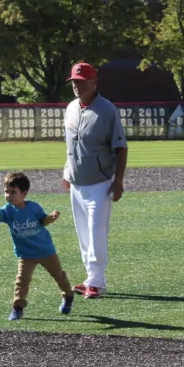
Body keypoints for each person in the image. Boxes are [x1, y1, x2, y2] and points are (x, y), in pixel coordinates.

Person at [63, 62, 128, 299]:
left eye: (81, 81)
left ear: (93, 82)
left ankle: (96, 282)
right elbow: (71, 145)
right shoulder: (70, 108)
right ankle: (91, 277)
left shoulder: (107, 110)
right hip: (76, 181)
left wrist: (118, 181)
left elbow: (121, 148)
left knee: (96, 231)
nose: (77, 86)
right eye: (74, 82)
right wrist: (66, 171)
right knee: (83, 232)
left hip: (100, 182)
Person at [0, 171, 74, 320]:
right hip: (25, 254)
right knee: (21, 281)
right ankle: (18, 308)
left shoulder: (34, 207)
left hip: (46, 251)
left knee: (59, 276)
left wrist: (51, 218)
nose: (8, 195)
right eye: (6, 192)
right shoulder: (8, 211)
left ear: (24, 193)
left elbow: (43, 221)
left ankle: (68, 296)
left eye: (13, 192)